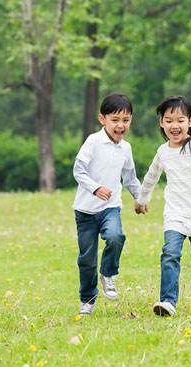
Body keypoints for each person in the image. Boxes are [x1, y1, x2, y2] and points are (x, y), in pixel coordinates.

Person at [136, 95, 191, 317]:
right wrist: (142, 199)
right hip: (176, 213)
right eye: (168, 120)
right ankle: (168, 302)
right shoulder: (163, 152)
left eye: (180, 120)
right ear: (161, 123)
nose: (174, 125)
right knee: (170, 253)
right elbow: (150, 177)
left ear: (190, 122)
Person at [72, 93, 144, 316]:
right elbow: (78, 170)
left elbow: (130, 177)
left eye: (126, 120)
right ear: (102, 119)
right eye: (115, 120)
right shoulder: (93, 142)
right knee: (87, 259)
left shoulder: (126, 149)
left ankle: (108, 273)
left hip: (110, 207)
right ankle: (87, 299)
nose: (121, 125)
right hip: (85, 211)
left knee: (115, 236)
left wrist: (140, 198)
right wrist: (95, 188)